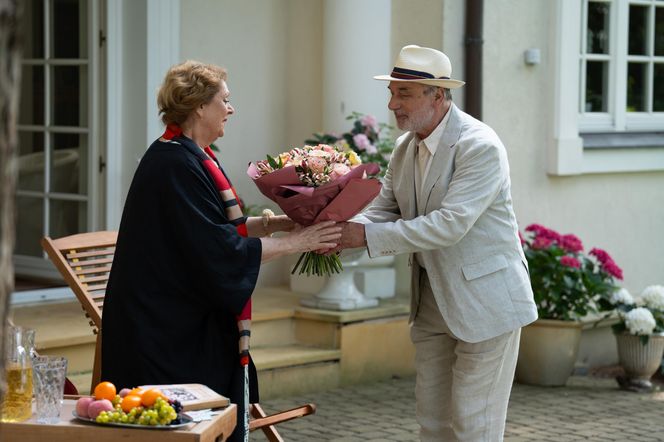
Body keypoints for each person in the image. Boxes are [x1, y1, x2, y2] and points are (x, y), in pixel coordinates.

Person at [101, 60, 341, 441]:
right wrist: (298, 243)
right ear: (199, 106)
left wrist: (276, 223)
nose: (231, 109)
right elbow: (218, 249)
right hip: (162, 331)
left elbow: (210, 230)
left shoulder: (190, 154)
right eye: (225, 100)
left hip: (176, 318)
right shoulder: (175, 163)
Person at [336, 45, 538, 441]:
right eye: (392, 93)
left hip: (488, 302)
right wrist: (331, 230)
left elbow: (449, 225)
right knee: (432, 424)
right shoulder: (404, 147)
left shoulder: (480, 145)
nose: (393, 103)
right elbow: (383, 209)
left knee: (473, 425)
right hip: (430, 303)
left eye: (404, 94)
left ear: (438, 95)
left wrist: (364, 235)